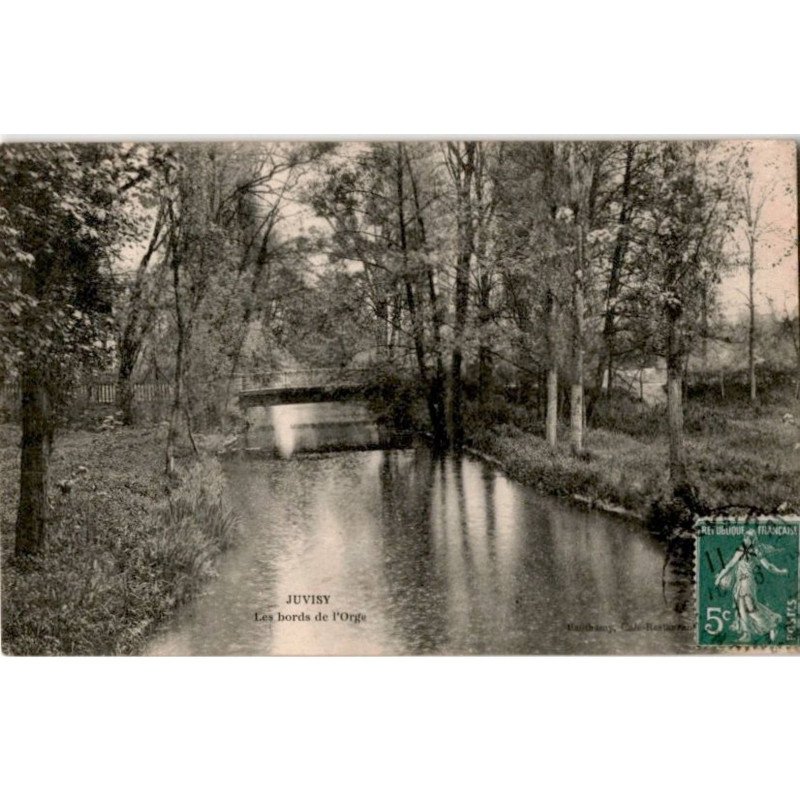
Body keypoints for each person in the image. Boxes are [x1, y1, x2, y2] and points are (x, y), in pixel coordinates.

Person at [714, 535, 789, 643]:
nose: (745, 539)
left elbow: (768, 566)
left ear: (753, 540)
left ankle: (771, 625)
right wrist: (719, 578)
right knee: (741, 608)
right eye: (745, 537)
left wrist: (780, 572)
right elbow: (729, 565)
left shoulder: (757, 551)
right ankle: (746, 634)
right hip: (739, 583)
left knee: (750, 607)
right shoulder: (740, 551)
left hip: (748, 582)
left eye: (748, 538)